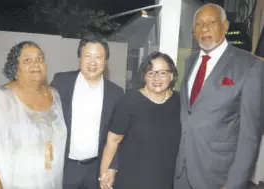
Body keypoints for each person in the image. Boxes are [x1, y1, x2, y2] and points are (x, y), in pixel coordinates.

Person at [174, 3, 264, 189]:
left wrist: (233, 184)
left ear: (225, 26)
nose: (204, 28)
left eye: (211, 22)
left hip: (217, 177)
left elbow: (250, 137)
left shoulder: (250, 66)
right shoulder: (189, 61)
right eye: (199, 24)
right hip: (182, 173)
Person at [0, 41, 67, 189]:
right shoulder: (0, 99)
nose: (36, 64)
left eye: (40, 59)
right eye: (27, 60)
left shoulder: (55, 95)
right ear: (15, 67)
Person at [50, 34, 124, 189]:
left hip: (96, 168)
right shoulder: (61, 82)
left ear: (105, 61)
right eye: (87, 56)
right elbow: (46, 120)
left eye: (98, 57)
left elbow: (116, 135)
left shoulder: (115, 93)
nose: (92, 62)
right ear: (79, 58)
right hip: (64, 167)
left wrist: (112, 166)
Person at [100, 51, 181, 189]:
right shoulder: (129, 101)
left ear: (171, 75)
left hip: (167, 179)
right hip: (131, 180)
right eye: (151, 73)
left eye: (162, 73)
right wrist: (103, 176)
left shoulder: (180, 102)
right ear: (145, 76)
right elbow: (113, 141)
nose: (156, 78)